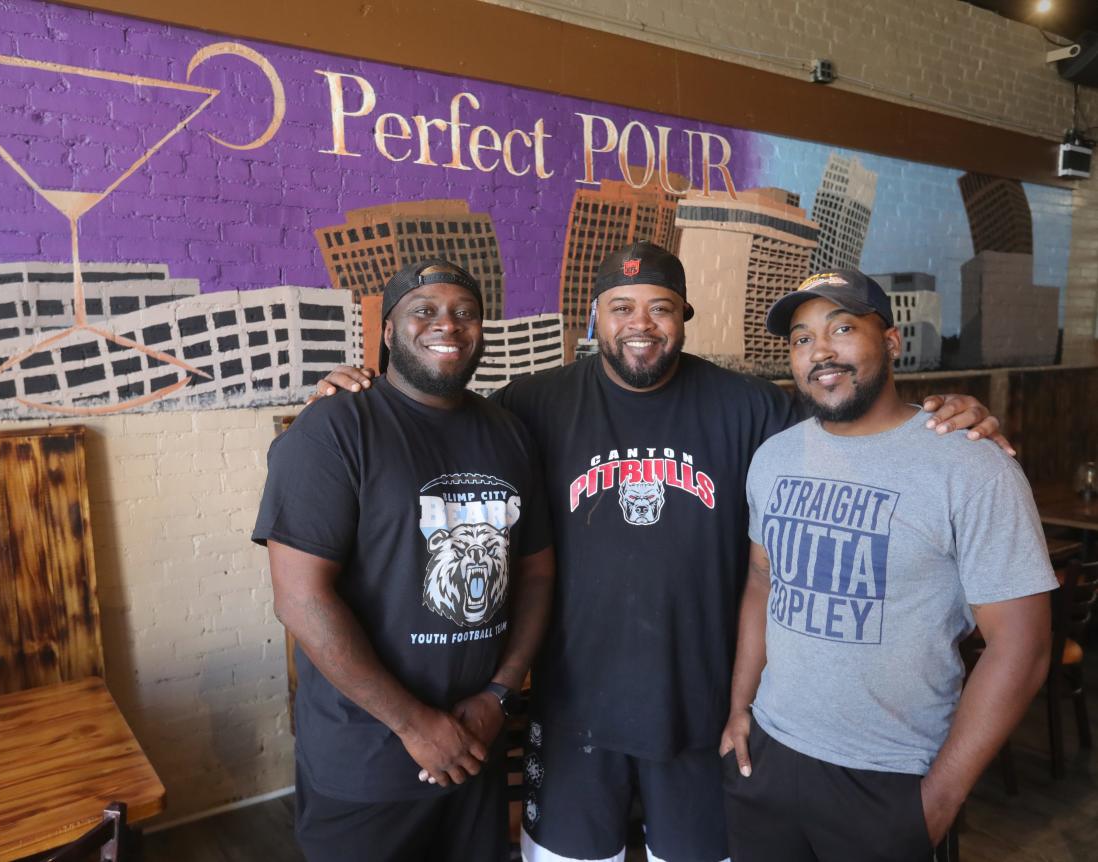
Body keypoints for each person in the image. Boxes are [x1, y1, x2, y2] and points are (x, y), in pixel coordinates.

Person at [313, 242, 1007, 862]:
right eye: (621, 307)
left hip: (705, 710)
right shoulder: (531, 403)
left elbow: (855, 414)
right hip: (574, 707)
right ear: (594, 319)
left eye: (660, 307)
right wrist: (357, 395)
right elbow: (441, 417)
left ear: (684, 317)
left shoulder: (748, 405)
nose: (640, 323)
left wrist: (945, 416)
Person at [719, 270, 1055, 862]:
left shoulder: (970, 466)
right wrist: (739, 709)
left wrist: (939, 801)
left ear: (893, 341)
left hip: (893, 777)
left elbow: (1021, 647)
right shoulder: (773, 457)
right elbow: (761, 582)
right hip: (769, 758)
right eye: (801, 339)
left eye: (842, 328)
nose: (820, 351)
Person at [253, 259, 555, 861]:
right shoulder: (333, 428)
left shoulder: (509, 432)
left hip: (477, 744)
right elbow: (301, 598)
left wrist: (500, 695)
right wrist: (416, 725)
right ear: (387, 333)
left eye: (464, 312)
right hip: (366, 761)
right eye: (424, 310)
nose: (447, 323)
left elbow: (536, 573)